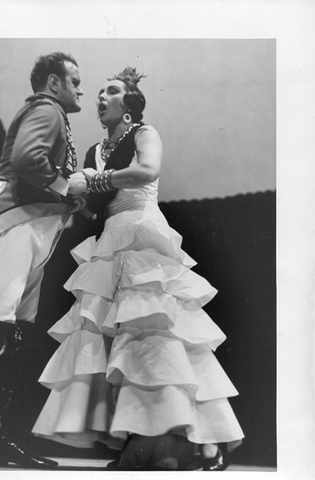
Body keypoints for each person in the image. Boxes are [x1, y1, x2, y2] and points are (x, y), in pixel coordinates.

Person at [31, 67, 244, 470]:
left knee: (159, 338)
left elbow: (147, 171)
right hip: (110, 239)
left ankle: (207, 444)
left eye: (111, 91)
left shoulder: (145, 133)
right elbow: (87, 195)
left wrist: (94, 181)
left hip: (143, 233)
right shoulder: (95, 149)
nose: (100, 97)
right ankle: (139, 443)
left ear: (129, 105)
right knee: (116, 346)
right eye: (98, 92)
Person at [0, 52, 89, 469]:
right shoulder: (46, 109)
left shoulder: (52, 113)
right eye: (74, 80)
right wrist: (67, 186)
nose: (80, 88)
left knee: (14, 332)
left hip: (32, 230)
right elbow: (29, 160)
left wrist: (67, 194)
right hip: (13, 226)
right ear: (52, 83)